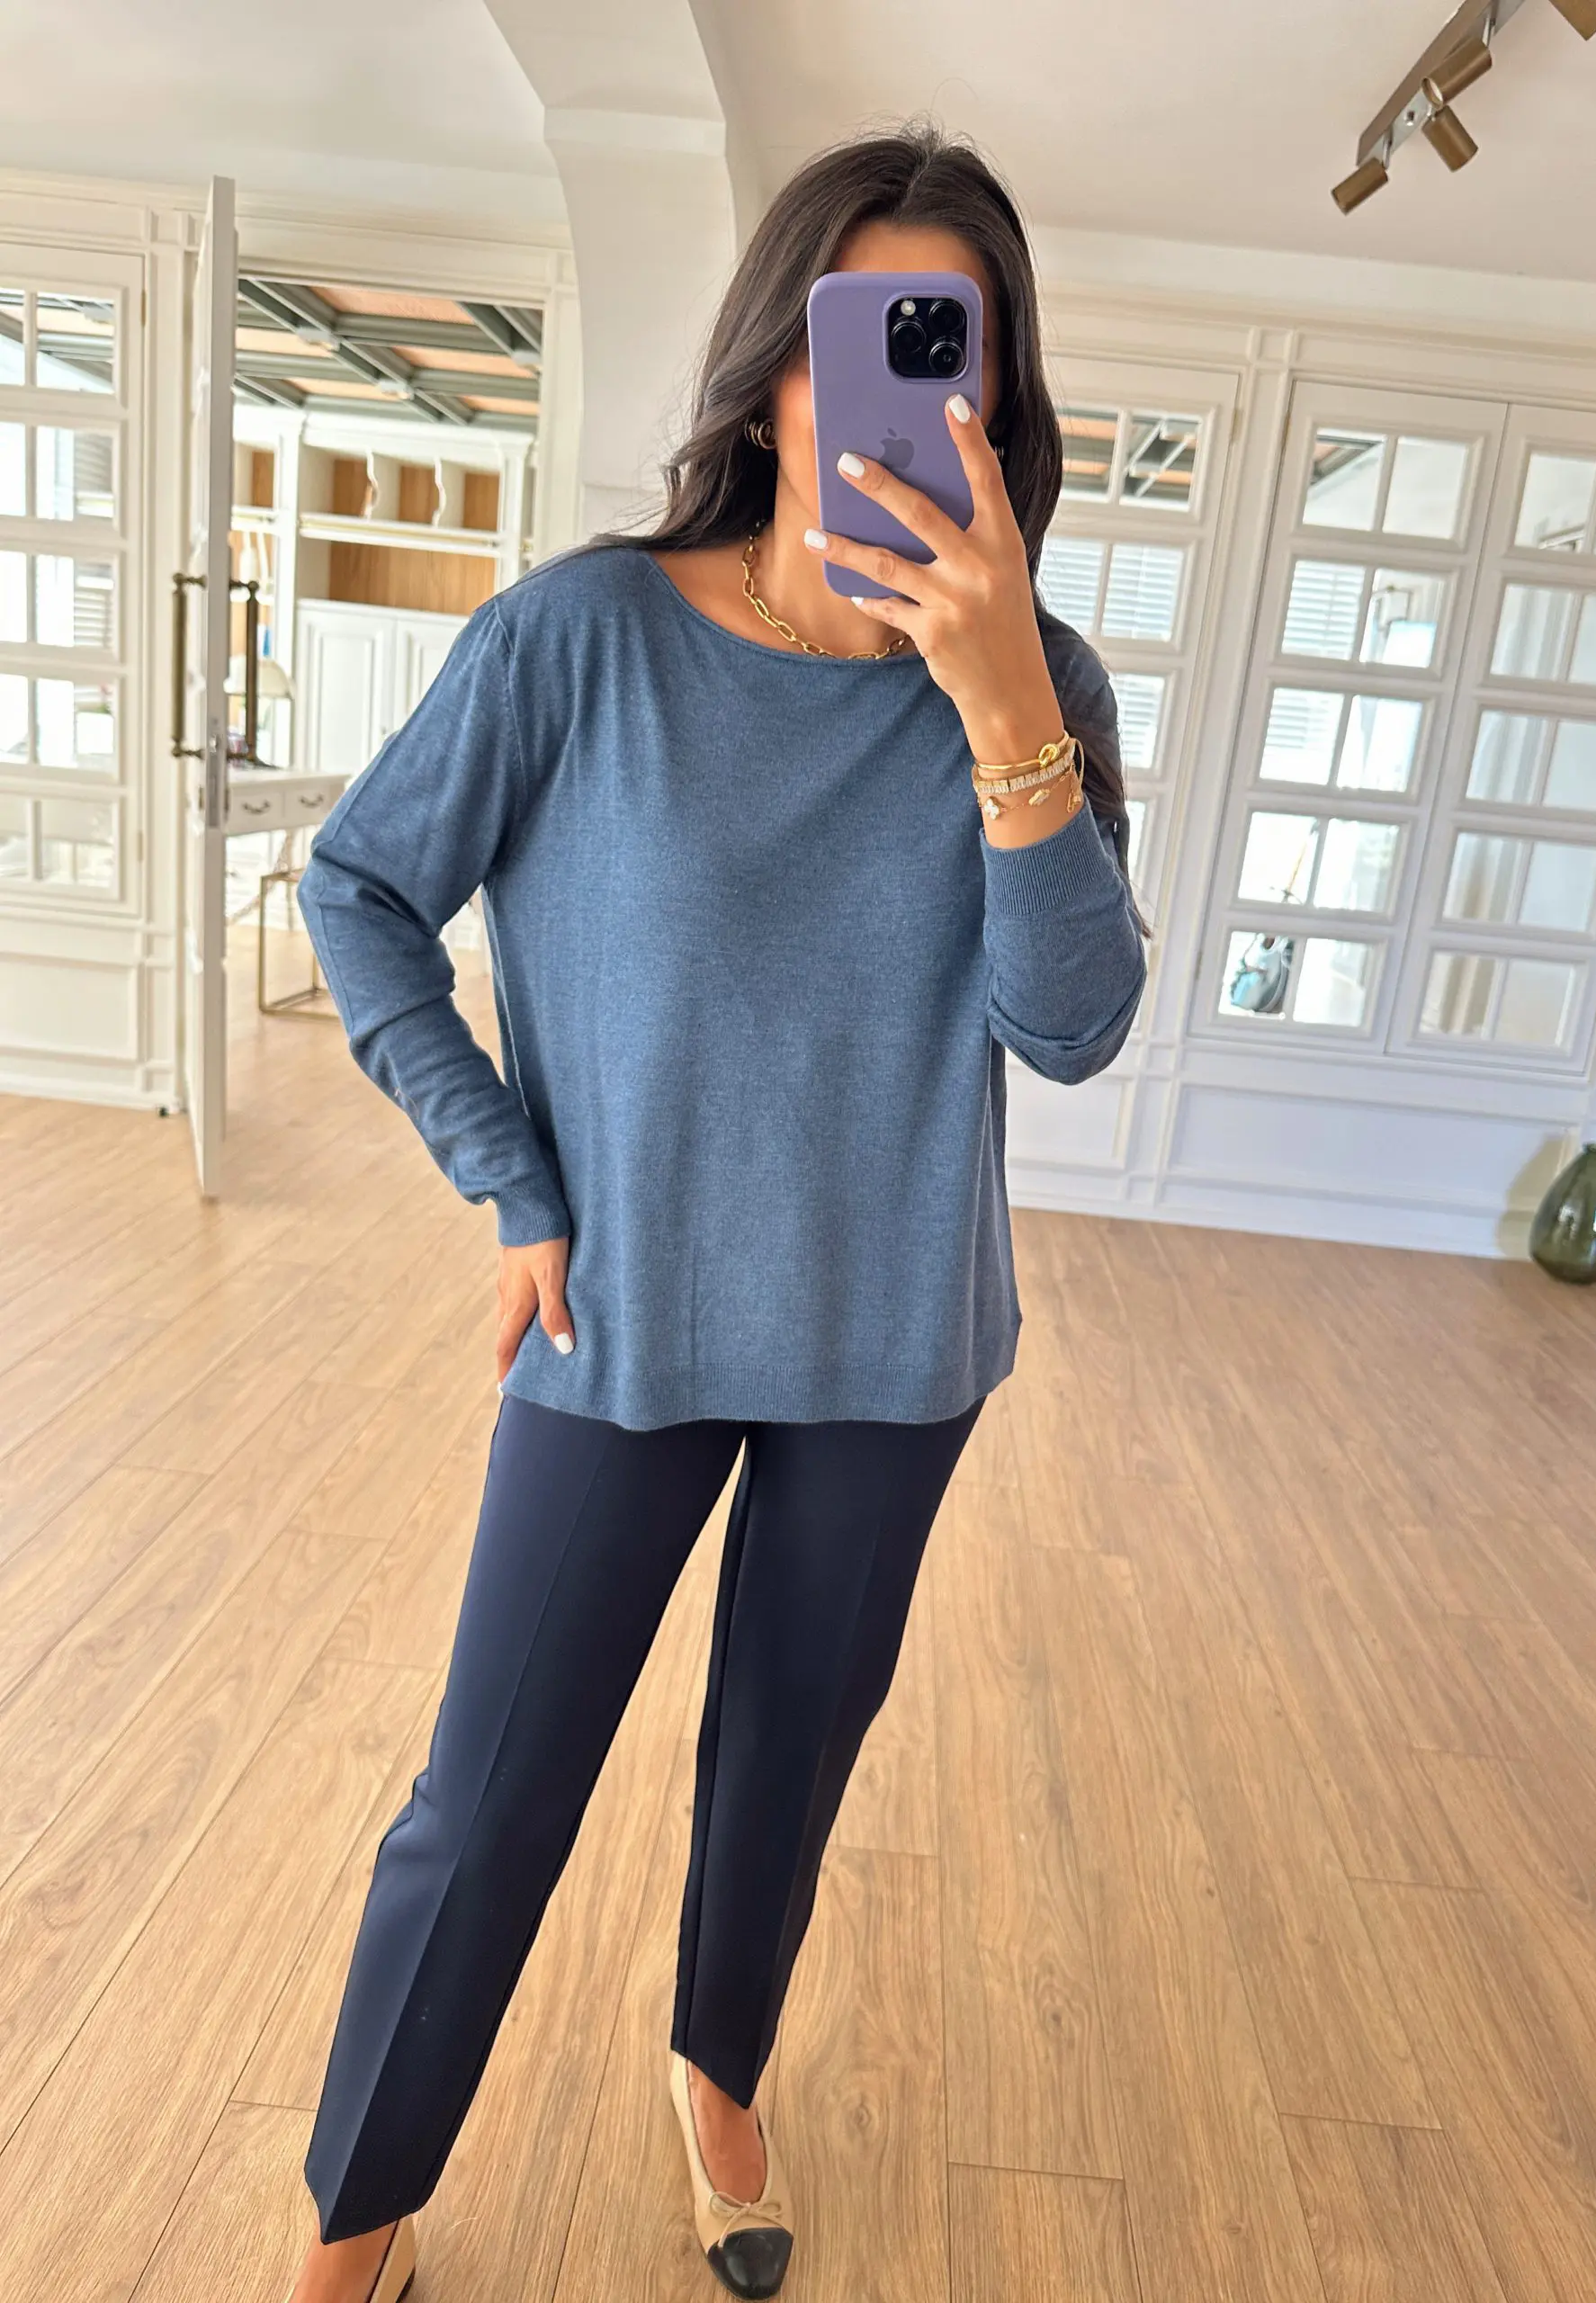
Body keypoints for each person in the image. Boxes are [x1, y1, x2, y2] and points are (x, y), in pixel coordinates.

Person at [282, 118, 1149, 2303]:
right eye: (867, 335)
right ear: (774, 370)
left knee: (785, 1762)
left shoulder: (1042, 680)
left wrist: (1001, 704)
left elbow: (1071, 1027)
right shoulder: (582, 636)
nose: (906, 393)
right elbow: (360, 887)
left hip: (896, 1345)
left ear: (999, 397)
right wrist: (508, 1171)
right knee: (486, 1800)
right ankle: (359, 2204)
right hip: (625, 1321)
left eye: (954, 346)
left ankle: (720, 2068)